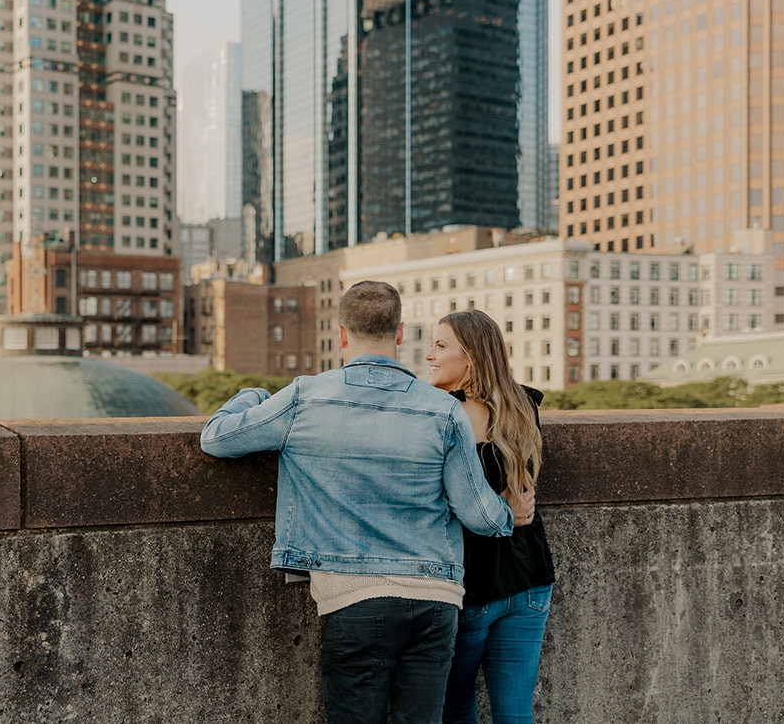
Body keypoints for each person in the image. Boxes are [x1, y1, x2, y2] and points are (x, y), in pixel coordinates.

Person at [201, 281, 534, 724]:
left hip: (355, 597)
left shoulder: (304, 396)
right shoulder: (443, 409)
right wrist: (510, 514)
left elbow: (216, 438)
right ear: (399, 334)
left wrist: (253, 396)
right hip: (435, 597)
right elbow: (478, 513)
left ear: (341, 335)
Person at [424, 310, 556, 724]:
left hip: (473, 583)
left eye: (440, 346)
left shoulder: (447, 416)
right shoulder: (523, 404)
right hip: (531, 578)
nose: (429, 355)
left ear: (473, 358)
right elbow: (519, 491)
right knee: (516, 714)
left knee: (456, 708)